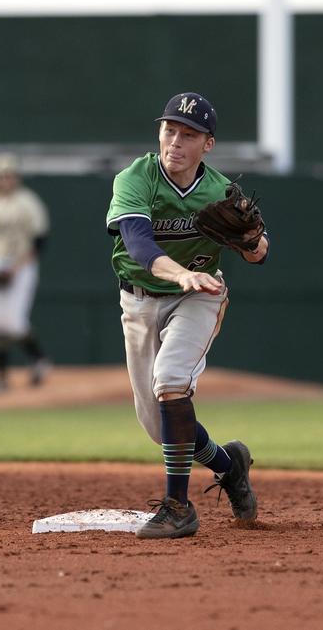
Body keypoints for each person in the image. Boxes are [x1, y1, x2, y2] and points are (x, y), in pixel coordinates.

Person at [106, 93, 266, 539]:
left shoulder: (219, 192)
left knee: (172, 380)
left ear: (207, 144)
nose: (175, 141)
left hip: (200, 296)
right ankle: (229, 464)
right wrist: (178, 274)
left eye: (188, 134)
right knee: (160, 428)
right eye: (169, 130)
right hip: (140, 299)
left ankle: (178, 507)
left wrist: (252, 242)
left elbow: (258, 254)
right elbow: (139, 245)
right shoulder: (135, 178)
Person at [0, 153, 51, 393]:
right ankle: (0, 379)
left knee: (15, 321)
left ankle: (39, 360)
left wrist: (15, 268)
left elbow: (39, 241)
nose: (3, 180)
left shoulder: (28, 202)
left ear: (15, 177)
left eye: (8, 175)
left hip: (21, 264)